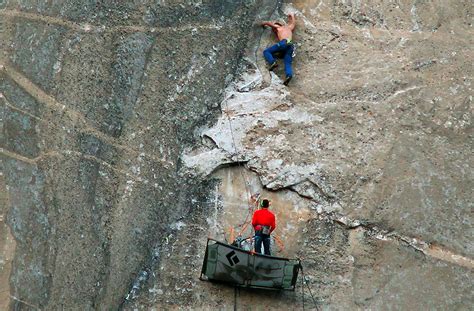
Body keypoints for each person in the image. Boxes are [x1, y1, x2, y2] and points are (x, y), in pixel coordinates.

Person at [261, 13, 296, 86]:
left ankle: (273, 62)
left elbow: (269, 23)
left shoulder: (279, 27)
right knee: (287, 63)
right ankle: (289, 75)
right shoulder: (289, 28)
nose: (274, 30)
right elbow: (293, 22)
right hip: (290, 45)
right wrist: (292, 15)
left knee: (266, 51)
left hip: (284, 43)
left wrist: (262, 23)